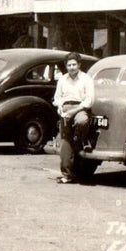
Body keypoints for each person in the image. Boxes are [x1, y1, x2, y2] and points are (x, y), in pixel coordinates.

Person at [52, 52, 95, 184]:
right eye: (69, 65)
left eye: (74, 64)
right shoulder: (62, 80)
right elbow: (57, 98)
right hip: (65, 107)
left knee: (82, 121)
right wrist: (60, 107)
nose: (71, 67)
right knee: (65, 141)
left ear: (79, 65)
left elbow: (89, 100)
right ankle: (67, 174)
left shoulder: (86, 79)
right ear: (66, 66)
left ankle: (78, 141)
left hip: (80, 108)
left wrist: (74, 111)